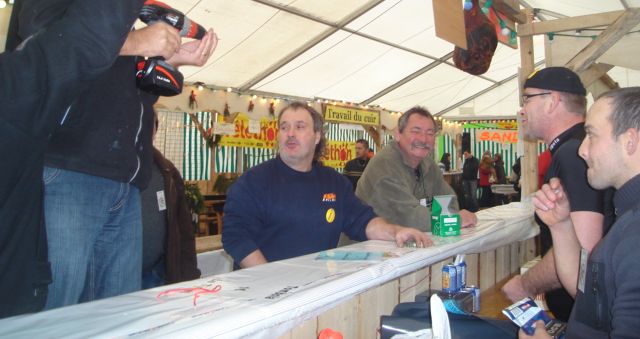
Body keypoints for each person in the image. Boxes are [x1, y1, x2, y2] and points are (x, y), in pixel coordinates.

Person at [5, 0, 217, 311]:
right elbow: (47, 38)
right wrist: (139, 41)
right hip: (69, 168)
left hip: (124, 177)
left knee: (113, 316)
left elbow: (119, 86)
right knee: (55, 316)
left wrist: (169, 61)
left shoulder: (118, 5)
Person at [222, 102, 431, 269]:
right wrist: (269, 278)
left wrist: (396, 231)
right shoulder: (254, 181)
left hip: (316, 285)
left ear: (317, 136)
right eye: (284, 127)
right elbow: (236, 236)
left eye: (299, 127)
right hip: (266, 293)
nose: (290, 133)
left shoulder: (334, 182)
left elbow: (362, 221)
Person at [522, 87, 640, 338]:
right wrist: (562, 226)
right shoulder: (628, 216)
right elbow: (592, 297)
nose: (582, 150)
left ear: (629, 141)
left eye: (591, 135)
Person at [502, 67, 613, 322]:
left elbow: (587, 249)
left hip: (583, 315)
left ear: (552, 101)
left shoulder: (573, 153)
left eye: (527, 99)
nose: (521, 110)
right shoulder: (577, 147)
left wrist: (526, 284)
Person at [355, 107, 477, 232]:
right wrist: (454, 220)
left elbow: (449, 201)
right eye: (415, 131)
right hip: (367, 243)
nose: (423, 139)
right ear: (397, 134)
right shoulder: (385, 164)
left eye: (429, 133)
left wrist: (448, 217)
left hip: (407, 239)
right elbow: (408, 218)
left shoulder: (428, 164)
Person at [141, 114, 200, 289]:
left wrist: (189, 274)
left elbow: (183, 228)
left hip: (156, 275)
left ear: (155, 130)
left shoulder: (166, 171)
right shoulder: (109, 171)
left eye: (149, 124)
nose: (143, 130)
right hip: (114, 278)